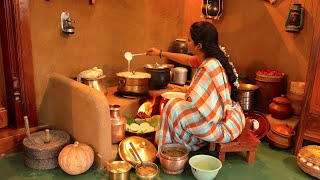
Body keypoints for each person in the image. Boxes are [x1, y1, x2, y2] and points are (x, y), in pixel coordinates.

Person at [146, 21, 246, 152]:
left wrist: (178, 91)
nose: (186, 42)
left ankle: (169, 149)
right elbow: (187, 60)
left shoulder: (209, 67)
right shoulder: (212, 57)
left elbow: (193, 99)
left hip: (223, 127)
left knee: (173, 108)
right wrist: (160, 53)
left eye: (189, 40)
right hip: (233, 118)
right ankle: (171, 146)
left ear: (198, 46)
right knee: (176, 106)